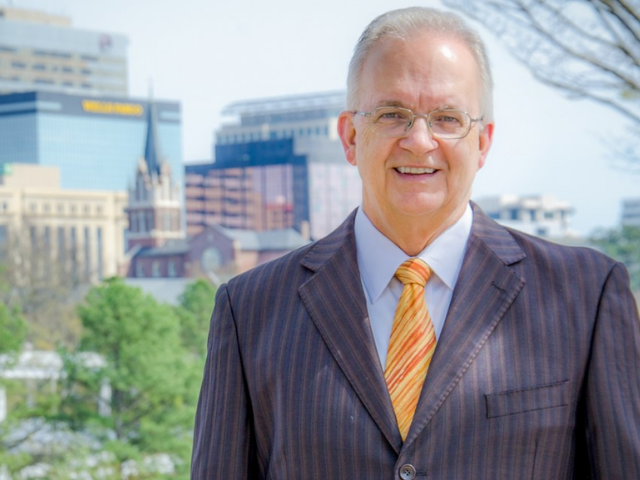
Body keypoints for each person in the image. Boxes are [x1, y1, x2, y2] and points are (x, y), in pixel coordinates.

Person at [191, 7, 640, 479]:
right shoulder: (250, 311)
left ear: (483, 142)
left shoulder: (586, 296)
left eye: (447, 117)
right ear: (349, 136)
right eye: (392, 114)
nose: (420, 140)